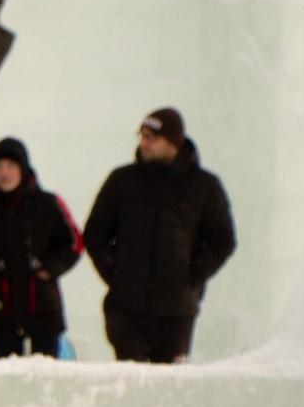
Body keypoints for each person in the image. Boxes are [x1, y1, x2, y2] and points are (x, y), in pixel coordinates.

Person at [83, 106, 238, 363]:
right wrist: (115, 274)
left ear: (173, 142)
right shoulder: (122, 181)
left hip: (176, 313)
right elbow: (95, 234)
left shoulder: (204, 186)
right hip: (126, 308)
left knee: (168, 388)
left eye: (151, 138)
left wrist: (192, 275)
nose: (144, 143)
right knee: (131, 385)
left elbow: (223, 240)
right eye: (142, 136)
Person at [0, 137, 81, 359]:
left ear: (23, 169)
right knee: (5, 378)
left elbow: (75, 242)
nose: (4, 173)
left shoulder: (49, 203)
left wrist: (49, 269)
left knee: (46, 377)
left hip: (43, 306)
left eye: (10, 167)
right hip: (3, 308)